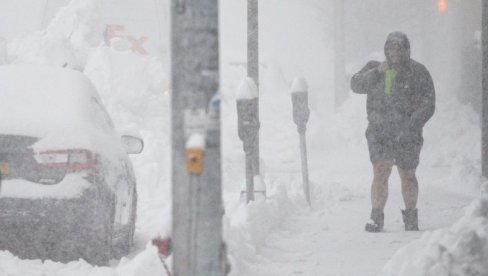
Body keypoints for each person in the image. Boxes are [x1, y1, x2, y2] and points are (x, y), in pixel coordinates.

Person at [350, 32, 435, 232]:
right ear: (386, 50)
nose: (394, 53)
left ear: (406, 50)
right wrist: (377, 72)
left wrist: (412, 123)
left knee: (408, 175)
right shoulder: (375, 68)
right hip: (380, 132)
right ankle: (376, 217)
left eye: (399, 48)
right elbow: (355, 84)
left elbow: (429, 103)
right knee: (380, 173)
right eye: (391, 48)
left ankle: (411, 216)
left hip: (408, 134)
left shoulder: (418, 72)